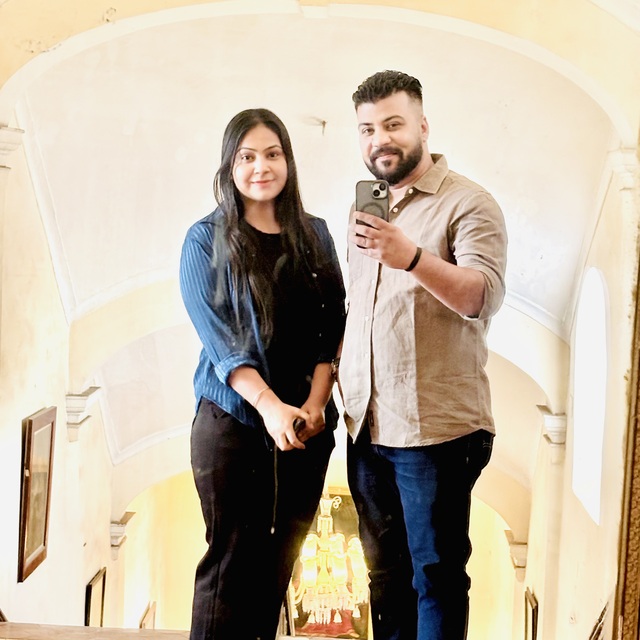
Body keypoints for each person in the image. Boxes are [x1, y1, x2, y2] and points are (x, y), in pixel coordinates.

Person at [339, 70, 508, 640]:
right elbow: (361, 310)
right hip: (366, 426)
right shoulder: (365, 210)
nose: (379, 140)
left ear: (423, 127)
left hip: (435, 431)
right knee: (384, 577)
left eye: (393, 124)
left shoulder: (468, 202)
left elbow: (481, 297)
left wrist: (410, 257)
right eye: (367, 129)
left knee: (435, 577)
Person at [179, 108, 346, 640]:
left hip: (305, 431)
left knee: (277, 569)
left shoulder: (316, 235)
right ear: (229, 166)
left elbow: (331, 326)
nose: (261, 167)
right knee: (230, 567)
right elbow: (222, 343)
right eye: (247, 156)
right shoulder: (204, 240)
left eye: (272, 154)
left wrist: (316, 404)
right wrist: (271, 408)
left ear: (288, 161)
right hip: (234, 424)